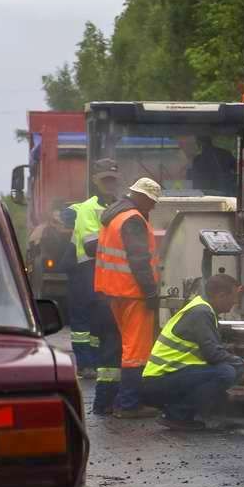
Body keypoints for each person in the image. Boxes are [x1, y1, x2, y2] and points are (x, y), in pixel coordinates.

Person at [144, 274, 244, 431]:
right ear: (221, 295)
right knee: (226, 372)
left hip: (166, 378)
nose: (235, 302)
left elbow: (215, 349)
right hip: (158, 382)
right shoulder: (201, 312)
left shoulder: (203, 309)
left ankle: (187, 412)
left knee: (232, 368)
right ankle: (177, 415)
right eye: (234, 297)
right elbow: (213, 354)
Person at [94, 177, 164, 419]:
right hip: (134, 293)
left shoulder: (114, 215)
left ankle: (108, 402)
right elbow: (139, 260)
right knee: (136, 350)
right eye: (152, 201)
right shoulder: (133, 219)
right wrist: (151, 292)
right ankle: (129, 404)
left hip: (114, 291)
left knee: (122, 348)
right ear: (141, 196)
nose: (153, 206)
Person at [62, 160, 120, 397]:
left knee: (98, 321)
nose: (109, 183)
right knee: (82, 322)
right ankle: (85, 364)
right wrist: (123, 242)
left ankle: (94, 361)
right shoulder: (88, 208)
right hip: (85, 270)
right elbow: (91, 245)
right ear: (95, 180)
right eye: (105, 179)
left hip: (105, 270)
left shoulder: (119, 206)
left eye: (112, 179)